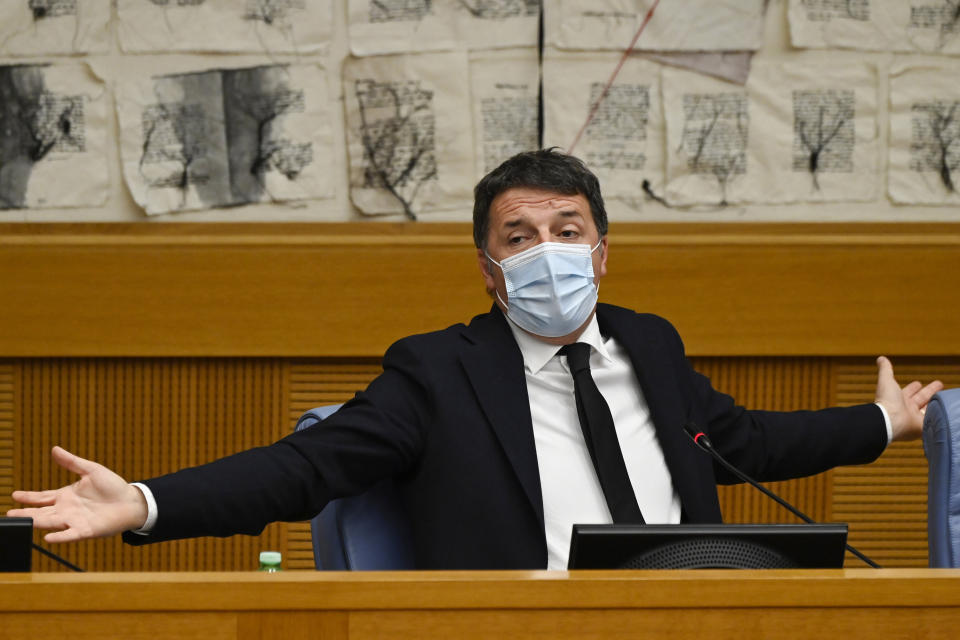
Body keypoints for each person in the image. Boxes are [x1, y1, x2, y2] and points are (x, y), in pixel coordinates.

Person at [9, 149, 943, 570]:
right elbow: (306, 468)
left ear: (603, 251)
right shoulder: (437, 372)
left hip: (693, 614)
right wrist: (143, 502)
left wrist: (885, 424)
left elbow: (743, 440)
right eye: (521, 236)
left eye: (567, 230)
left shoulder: (648, 344)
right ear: (492, 270)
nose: (548, 251)